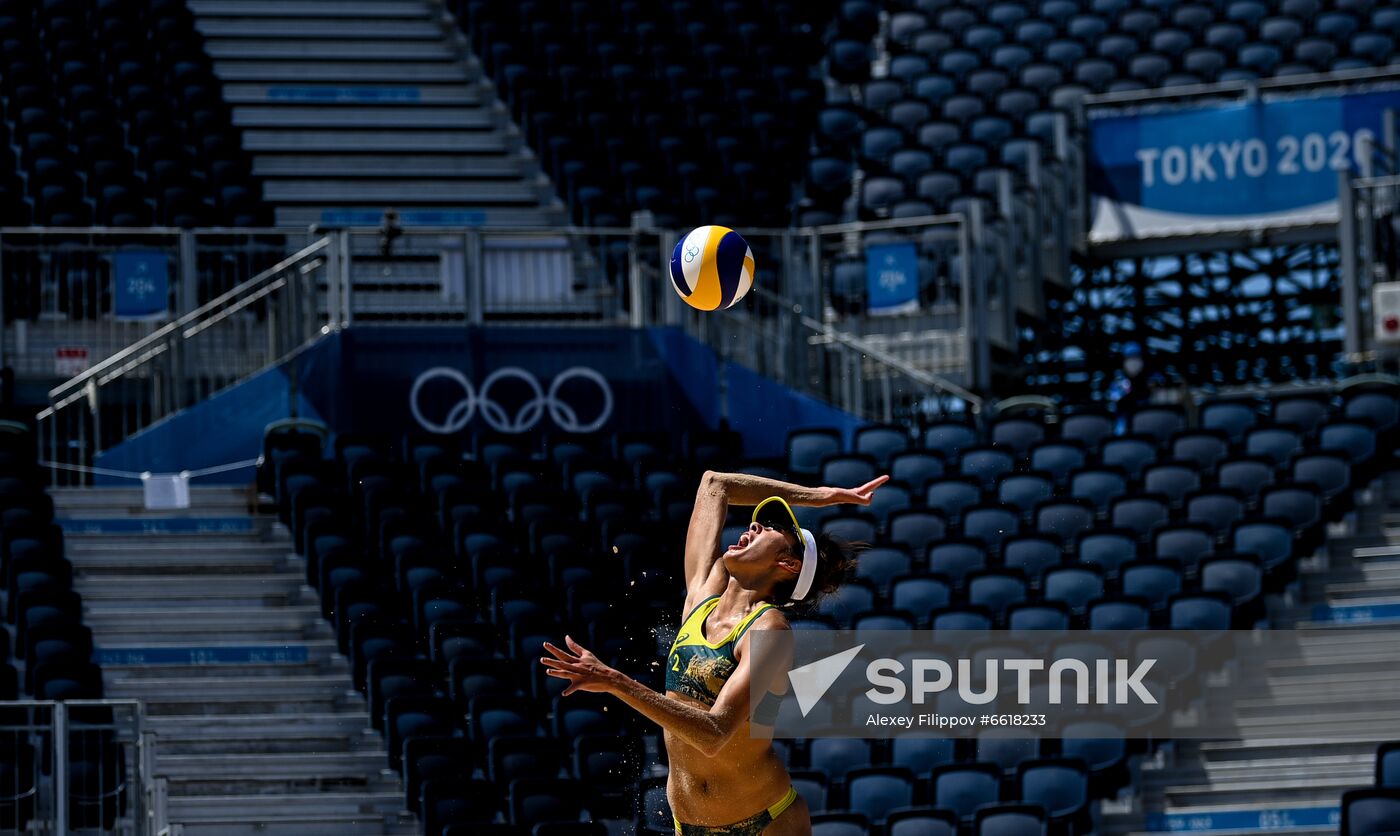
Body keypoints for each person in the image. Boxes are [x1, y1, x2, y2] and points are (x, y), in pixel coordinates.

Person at [541, 469, 888, 835]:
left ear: (788, 564)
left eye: (770, 530)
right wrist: (821, 495)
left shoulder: (769, 630)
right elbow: (714, 484)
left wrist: (615, 681)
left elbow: (714, 733)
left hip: (763, 821)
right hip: (686, 822)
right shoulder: (699, 600)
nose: (753, 527)